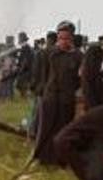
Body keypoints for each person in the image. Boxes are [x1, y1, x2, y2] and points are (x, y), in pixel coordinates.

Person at [31, 21, 83, 165]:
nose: (62, 42)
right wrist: (42, 90)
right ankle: (42, 159)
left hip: (67, 100)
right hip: (50, 97)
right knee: (45, 129)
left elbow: (79, 79)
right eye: (60, 38)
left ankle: (60, 160)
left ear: (72, 38)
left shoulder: (78, 56)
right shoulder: (48, 53)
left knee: (63, 131)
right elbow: (43, 74)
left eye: (66, 38)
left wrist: (71, 90)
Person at [28, 31, 57, 139]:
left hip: (40, 87)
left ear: (48, 39)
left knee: (36, 112)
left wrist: (33, 86)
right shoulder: (57, 53)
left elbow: (35, 71)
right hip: (52, 89)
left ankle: (33, 132)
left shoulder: (41, 53)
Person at [13, 32, 34, 98]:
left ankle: (25, 96)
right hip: (24, 69)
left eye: (20, 39)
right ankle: (24, 96)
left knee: (21, 84)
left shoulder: (26, 48)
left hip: (25, 70)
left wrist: (21, 69)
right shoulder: (24, 48)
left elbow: (26, 60)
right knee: (19, 84)